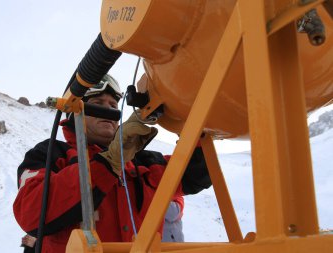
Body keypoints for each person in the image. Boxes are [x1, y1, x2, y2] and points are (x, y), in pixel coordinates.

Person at [13, 74, 212, 252]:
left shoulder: (141, 162)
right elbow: (31, 212)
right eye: (98, 103)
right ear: (74, 111)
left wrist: (183, 117)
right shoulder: (51, 154)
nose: (108, 111)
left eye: (113, 106)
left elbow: (197, 174)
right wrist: (109, 162)